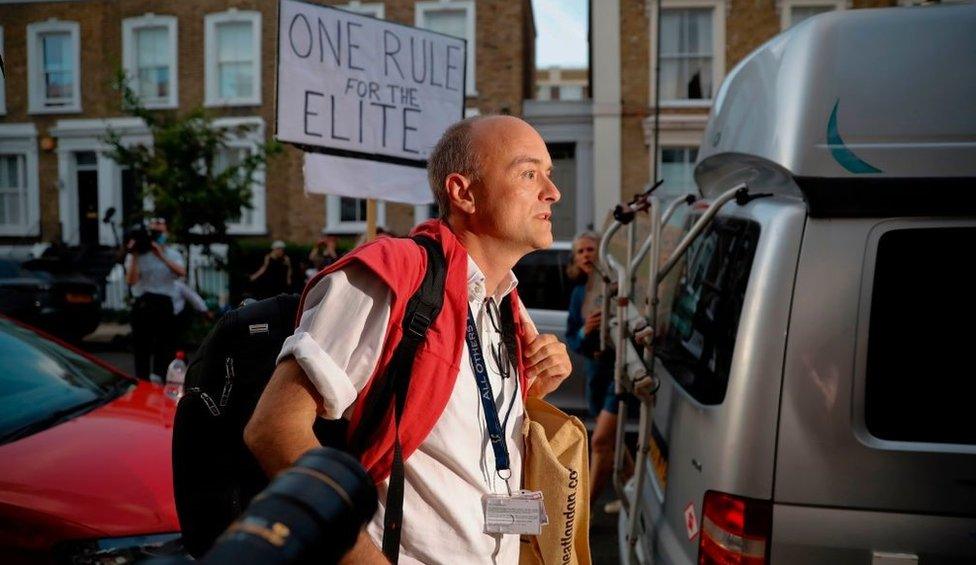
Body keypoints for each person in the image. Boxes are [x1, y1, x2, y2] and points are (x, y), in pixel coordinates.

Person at [245, 115, 573, 565]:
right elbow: (274, 429)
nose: (552, 192)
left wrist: (538, 386)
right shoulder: (388, 277)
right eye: (528, 173)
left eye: (549, 175)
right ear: (463, 192)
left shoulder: (506, 306)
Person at [565, 230, 633, 512]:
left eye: (590, 249)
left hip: (619, 374)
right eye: (580, 252)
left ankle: (584, 513)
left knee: (601, 441)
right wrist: (586, 330)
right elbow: (572, 337)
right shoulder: (579, 293)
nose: (585, 256)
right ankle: (634, 498)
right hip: (597, 374)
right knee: (613, 441)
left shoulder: (619, 286)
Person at [125, 217, 186, 380]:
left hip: (164, 303)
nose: (157, 234)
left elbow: (181, 272)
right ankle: (142, 383)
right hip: (143, 303)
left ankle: (161, 380)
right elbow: (131, 280)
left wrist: (161, 256)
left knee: (165, 348)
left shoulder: (173, 253)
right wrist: (135, 255)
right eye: (153, 231)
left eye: (160, 230)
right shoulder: (138, 253)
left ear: (167, 232)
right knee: (141, 350)